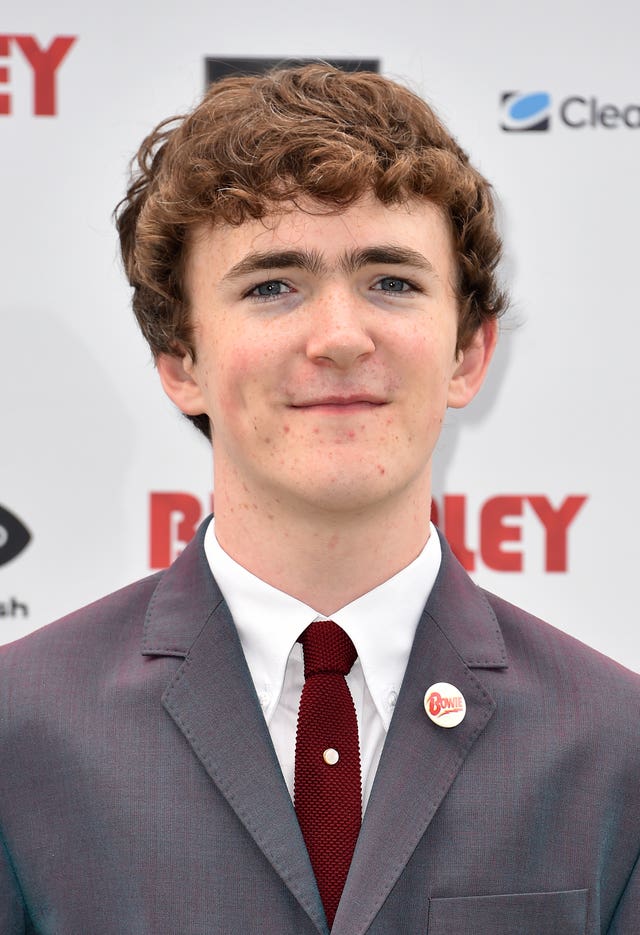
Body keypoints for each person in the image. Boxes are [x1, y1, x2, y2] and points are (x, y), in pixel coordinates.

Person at [0, 65, 638, 935]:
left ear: (467, 354)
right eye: (272, 286)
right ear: (180, 360)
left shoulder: (616, 748)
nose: (340, 336)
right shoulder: (19, 734)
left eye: (392, 281)